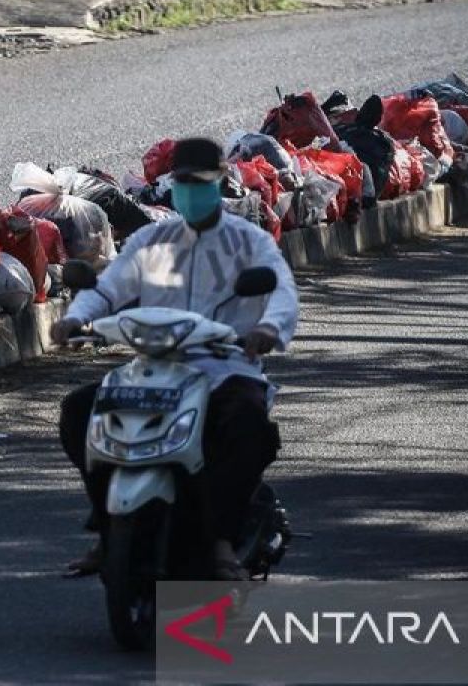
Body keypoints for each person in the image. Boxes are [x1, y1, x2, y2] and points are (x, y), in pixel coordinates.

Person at [50, 138, 298, 581]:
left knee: (247, 425)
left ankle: (222, 541)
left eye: (200, 184)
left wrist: (266, 330)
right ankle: (108, 530)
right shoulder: (152, 241)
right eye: (182, 183)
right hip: (156, 368)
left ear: (220, 184)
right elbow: (110, 289)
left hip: (226, 368)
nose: (190, 192)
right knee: (79, 411)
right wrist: (75, 319)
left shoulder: (249, 243)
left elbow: (281, 291)